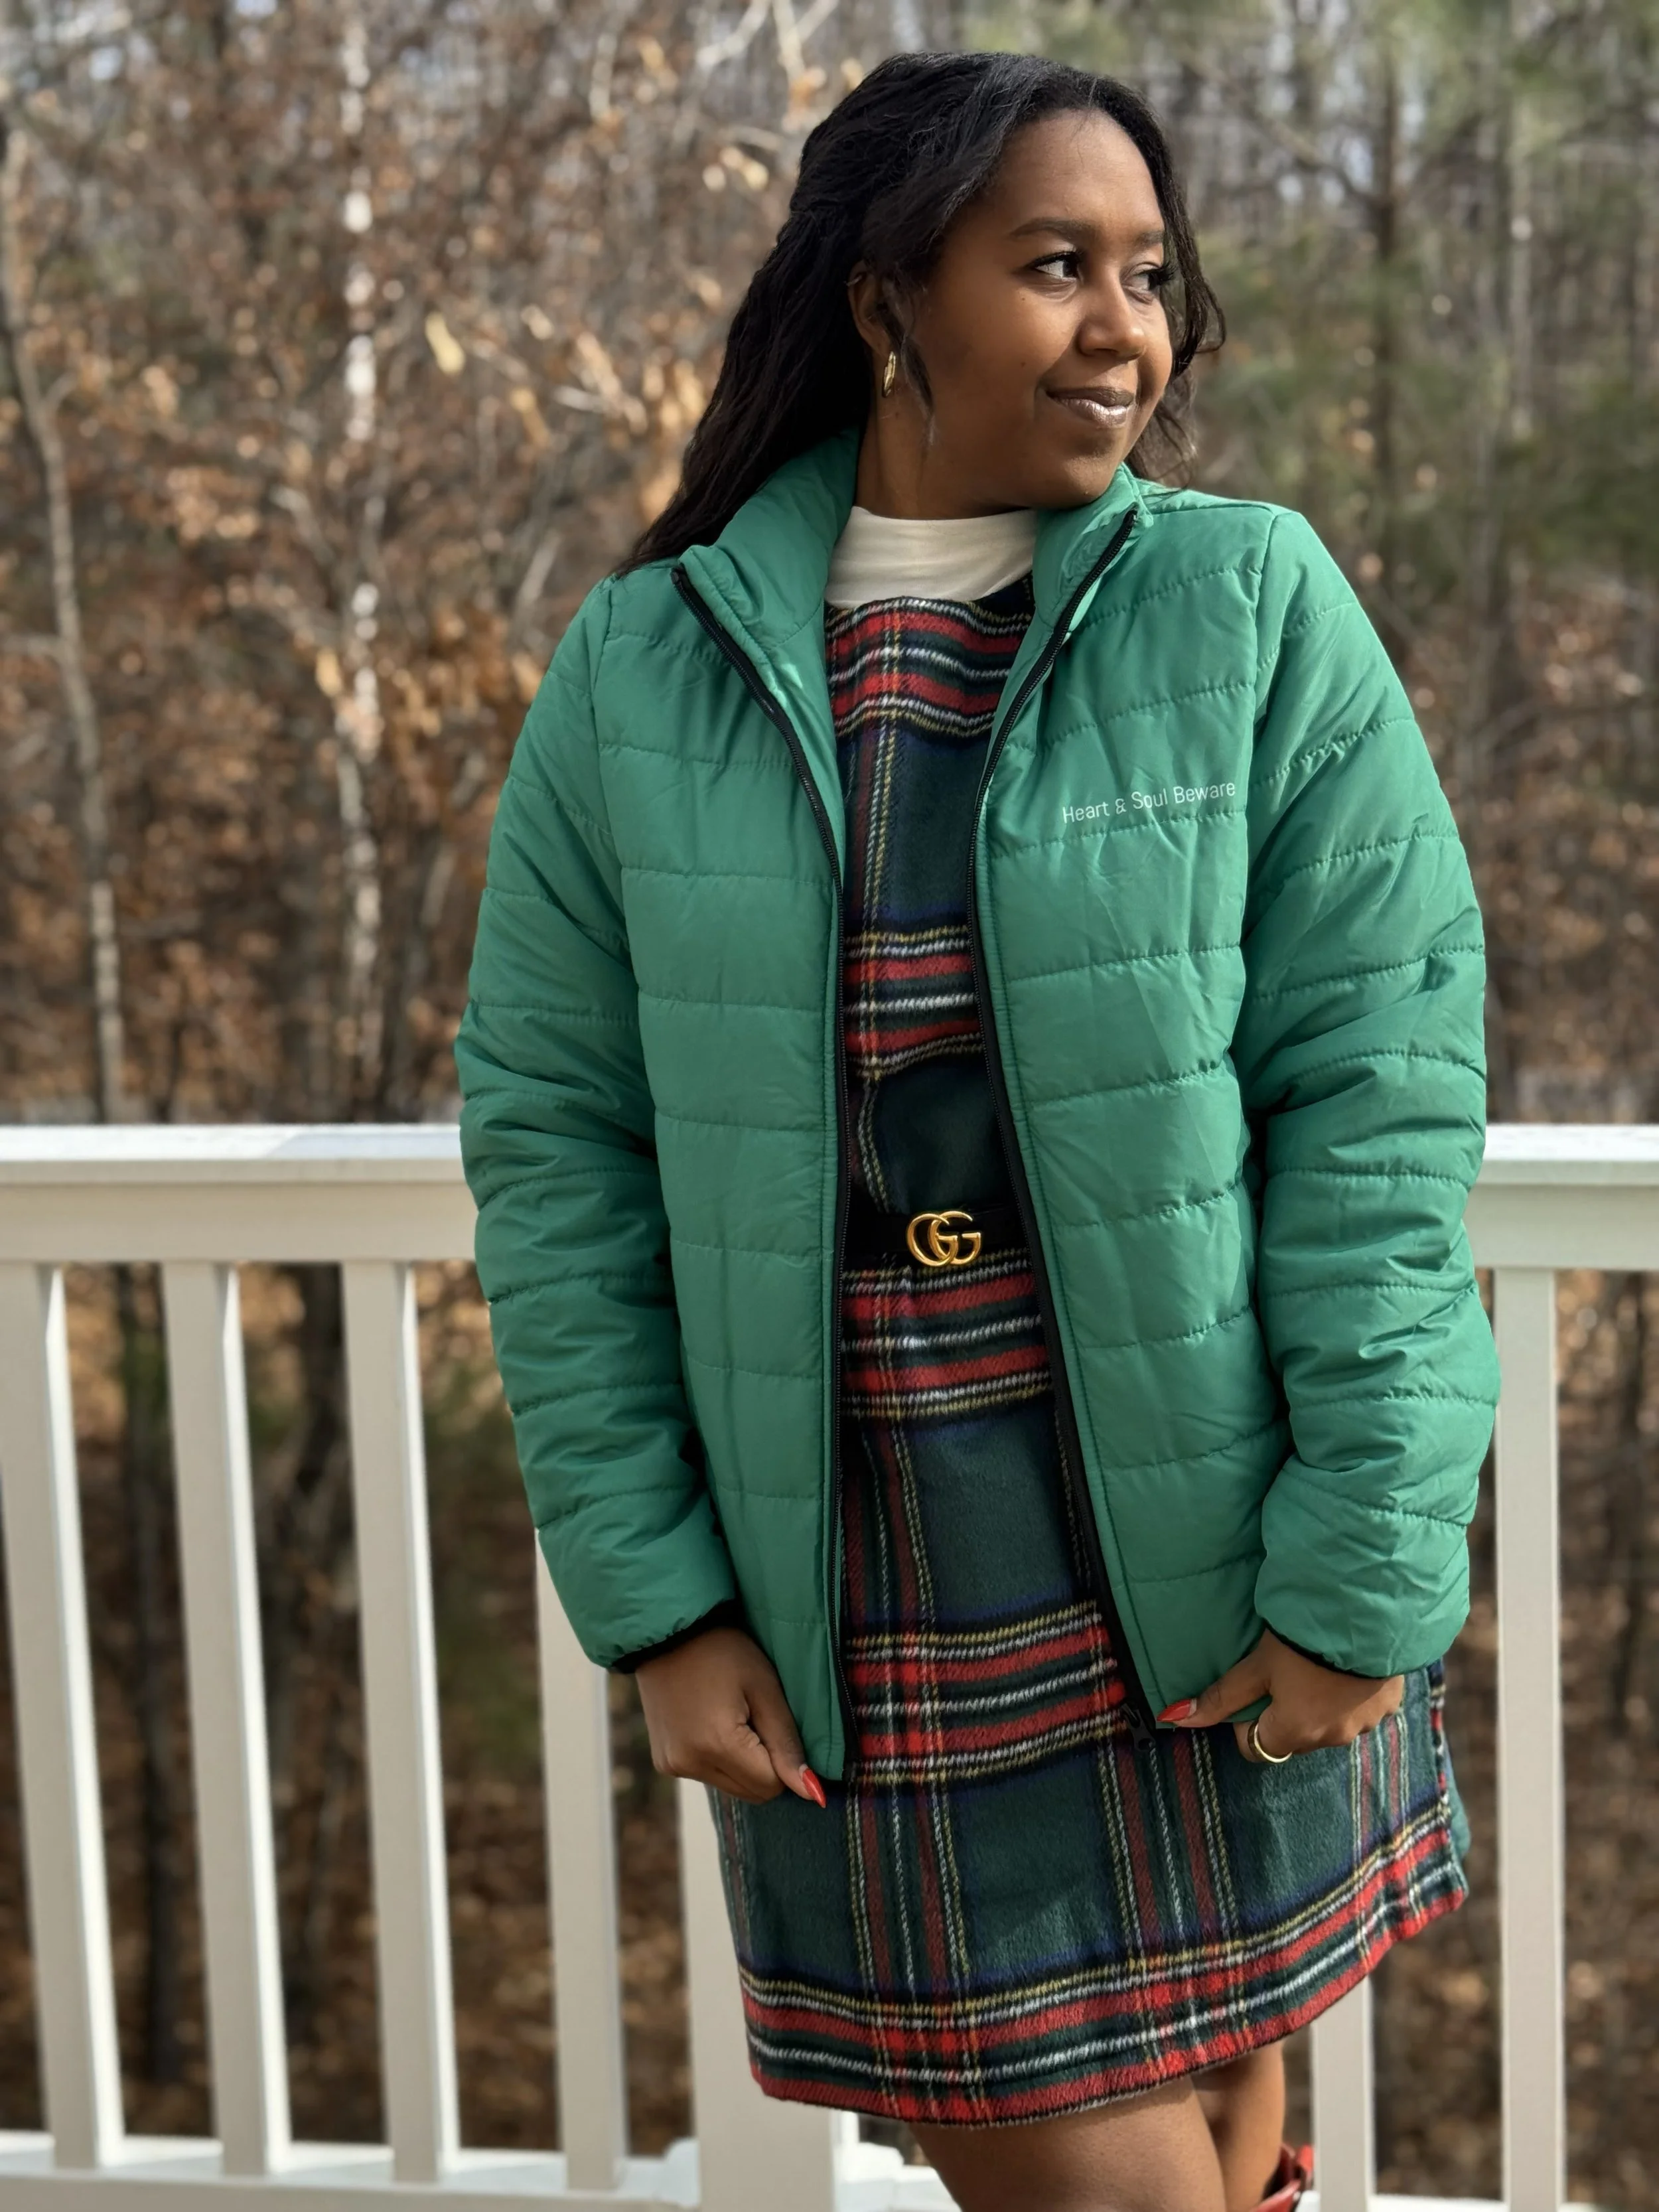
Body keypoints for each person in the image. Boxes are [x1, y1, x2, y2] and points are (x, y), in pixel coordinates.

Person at [455, 48, 1500, 2212]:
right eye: (1051, 266)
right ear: (882, 299)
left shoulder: (1246, 609)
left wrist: (1366, 1555)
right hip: (873, 1600)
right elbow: (558, 1157)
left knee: (1234, 2134)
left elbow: (1378, 1108)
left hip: (1208, 1565)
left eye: (1148, 273)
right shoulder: (643, 671)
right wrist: (655, 1598)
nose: (1124, 328)